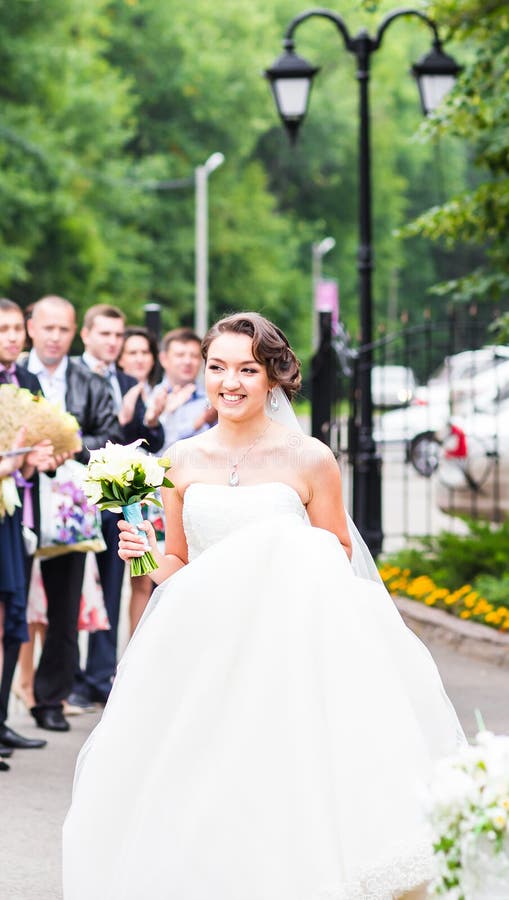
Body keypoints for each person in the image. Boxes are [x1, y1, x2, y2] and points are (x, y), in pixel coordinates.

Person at [63, 312, 464, 900]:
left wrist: (276, 561)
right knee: (201, 778)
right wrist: (141, 557)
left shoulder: (310, 458)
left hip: (286, 649)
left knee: (284, 775)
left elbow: (337, 552)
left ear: (273, 377)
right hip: (204, 650)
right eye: (217, 367)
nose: (230, 382)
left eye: (247, 370)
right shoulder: (181, 460)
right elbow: (176, 564)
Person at [22, 295, 121, 732]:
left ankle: (51, 700)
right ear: (32, 328)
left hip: (70, 506)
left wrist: (73, 447)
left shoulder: (89, 381)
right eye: (48, 328)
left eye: (64, 329)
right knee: (13, 605)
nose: (55, 337)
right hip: (21, 500)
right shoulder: (14, 376)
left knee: (64, 608)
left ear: (74, 332)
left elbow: (110, 435)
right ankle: (14, 695)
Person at [68, 307, 165, 710]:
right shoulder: (70, 374)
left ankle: (100, 675)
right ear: (86, 334)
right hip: (74, 496)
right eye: (105, 334)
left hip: (118, 499)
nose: (113, 342)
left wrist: (149, 419)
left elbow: (145, 438)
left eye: (117, 335)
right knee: (72, 589)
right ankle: (70, 680)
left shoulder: (128, 382)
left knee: (110, 587)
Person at [0, 298, 56, 753]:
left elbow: (35, 450)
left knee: (14, 615)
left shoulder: (28, 380)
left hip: (18, 511)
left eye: (17, 328)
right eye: (3, 329)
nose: (12, 336)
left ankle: (1, 721)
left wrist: (37, 460)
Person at [117, 326, 166, 633]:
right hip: (116, 492)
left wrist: (153, 418)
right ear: (120, 357)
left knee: (147, 575)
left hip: (149, 494)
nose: (139, 359)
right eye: (132, 352)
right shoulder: (116, 389)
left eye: (144, 352)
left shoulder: (156, 392)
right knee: (123, 581)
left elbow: (155, 441)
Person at [157, 326, 216, 445]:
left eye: (194, 356)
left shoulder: (212, 400)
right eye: (180, 355)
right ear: (163, 359)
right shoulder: (152, 397)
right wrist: (200, 422)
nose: (187, 361)